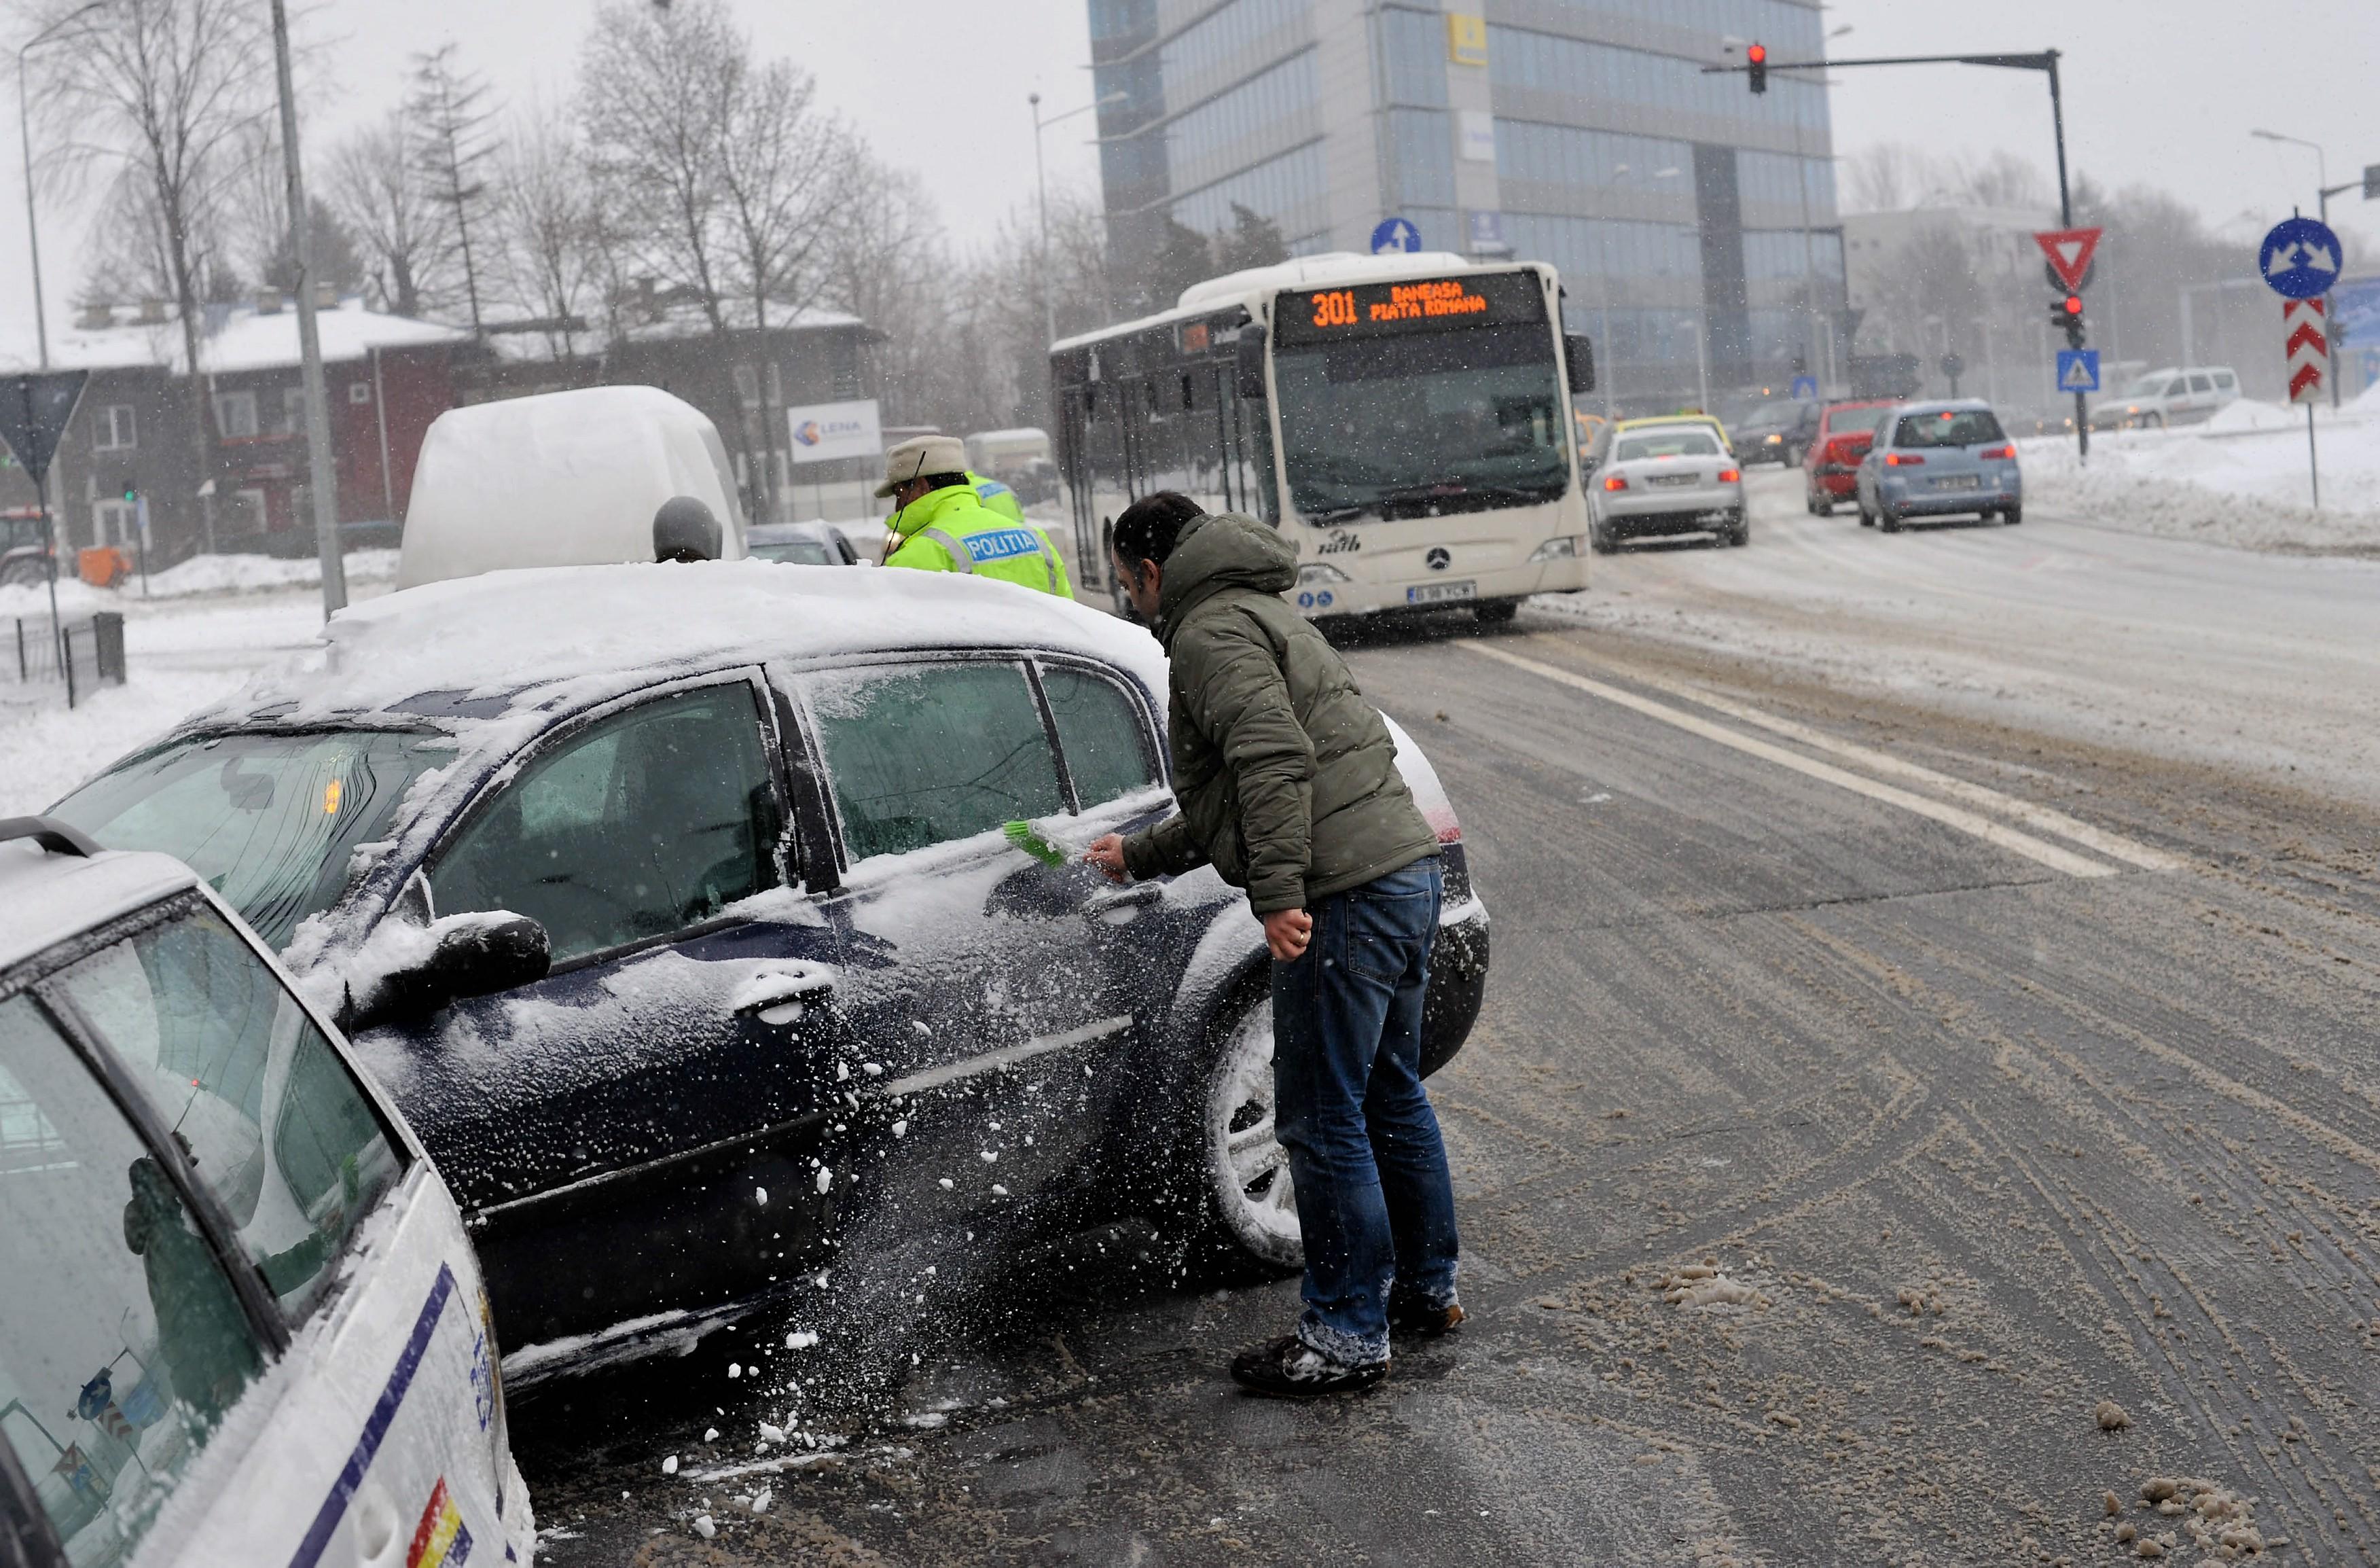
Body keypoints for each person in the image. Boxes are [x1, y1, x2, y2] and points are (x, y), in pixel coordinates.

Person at [1083, 491, 1459, 1397]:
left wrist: (1282, 898)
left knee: (1322, 1120)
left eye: (1126, 581)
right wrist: (1139, 854)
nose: (1129, 599)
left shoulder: (1209, 634)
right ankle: (1424, 1291)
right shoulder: (1261, 611)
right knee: (1386, 1094)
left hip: (1344, 897)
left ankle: (1344, 1335)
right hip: (1403, 869)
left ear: (1150, 572)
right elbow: (1240, 792)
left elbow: (1273, 760)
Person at [873, 434, 1072, 599]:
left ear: (922, 487)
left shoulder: (914, 558)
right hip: (1039, 648)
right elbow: (1071, 617)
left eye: (900, 493)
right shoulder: (1037, 540)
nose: (898, 505)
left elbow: (898, 631)